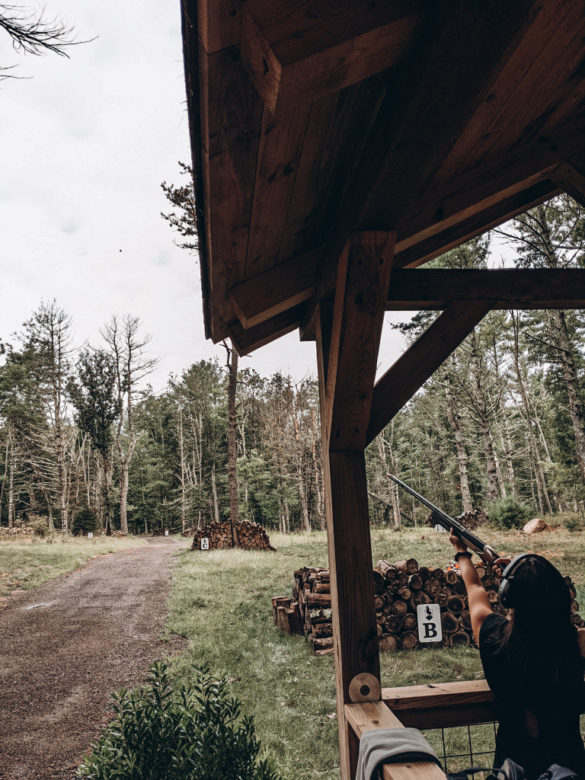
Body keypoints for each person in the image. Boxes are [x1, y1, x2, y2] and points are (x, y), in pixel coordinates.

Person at [449, 529, 585, 779]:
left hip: (512, 769)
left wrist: (462, 553)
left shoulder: (496, 640)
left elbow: (475, 592)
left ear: (508, 597)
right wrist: (519, 571)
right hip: (570, 767)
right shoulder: (576, 644)